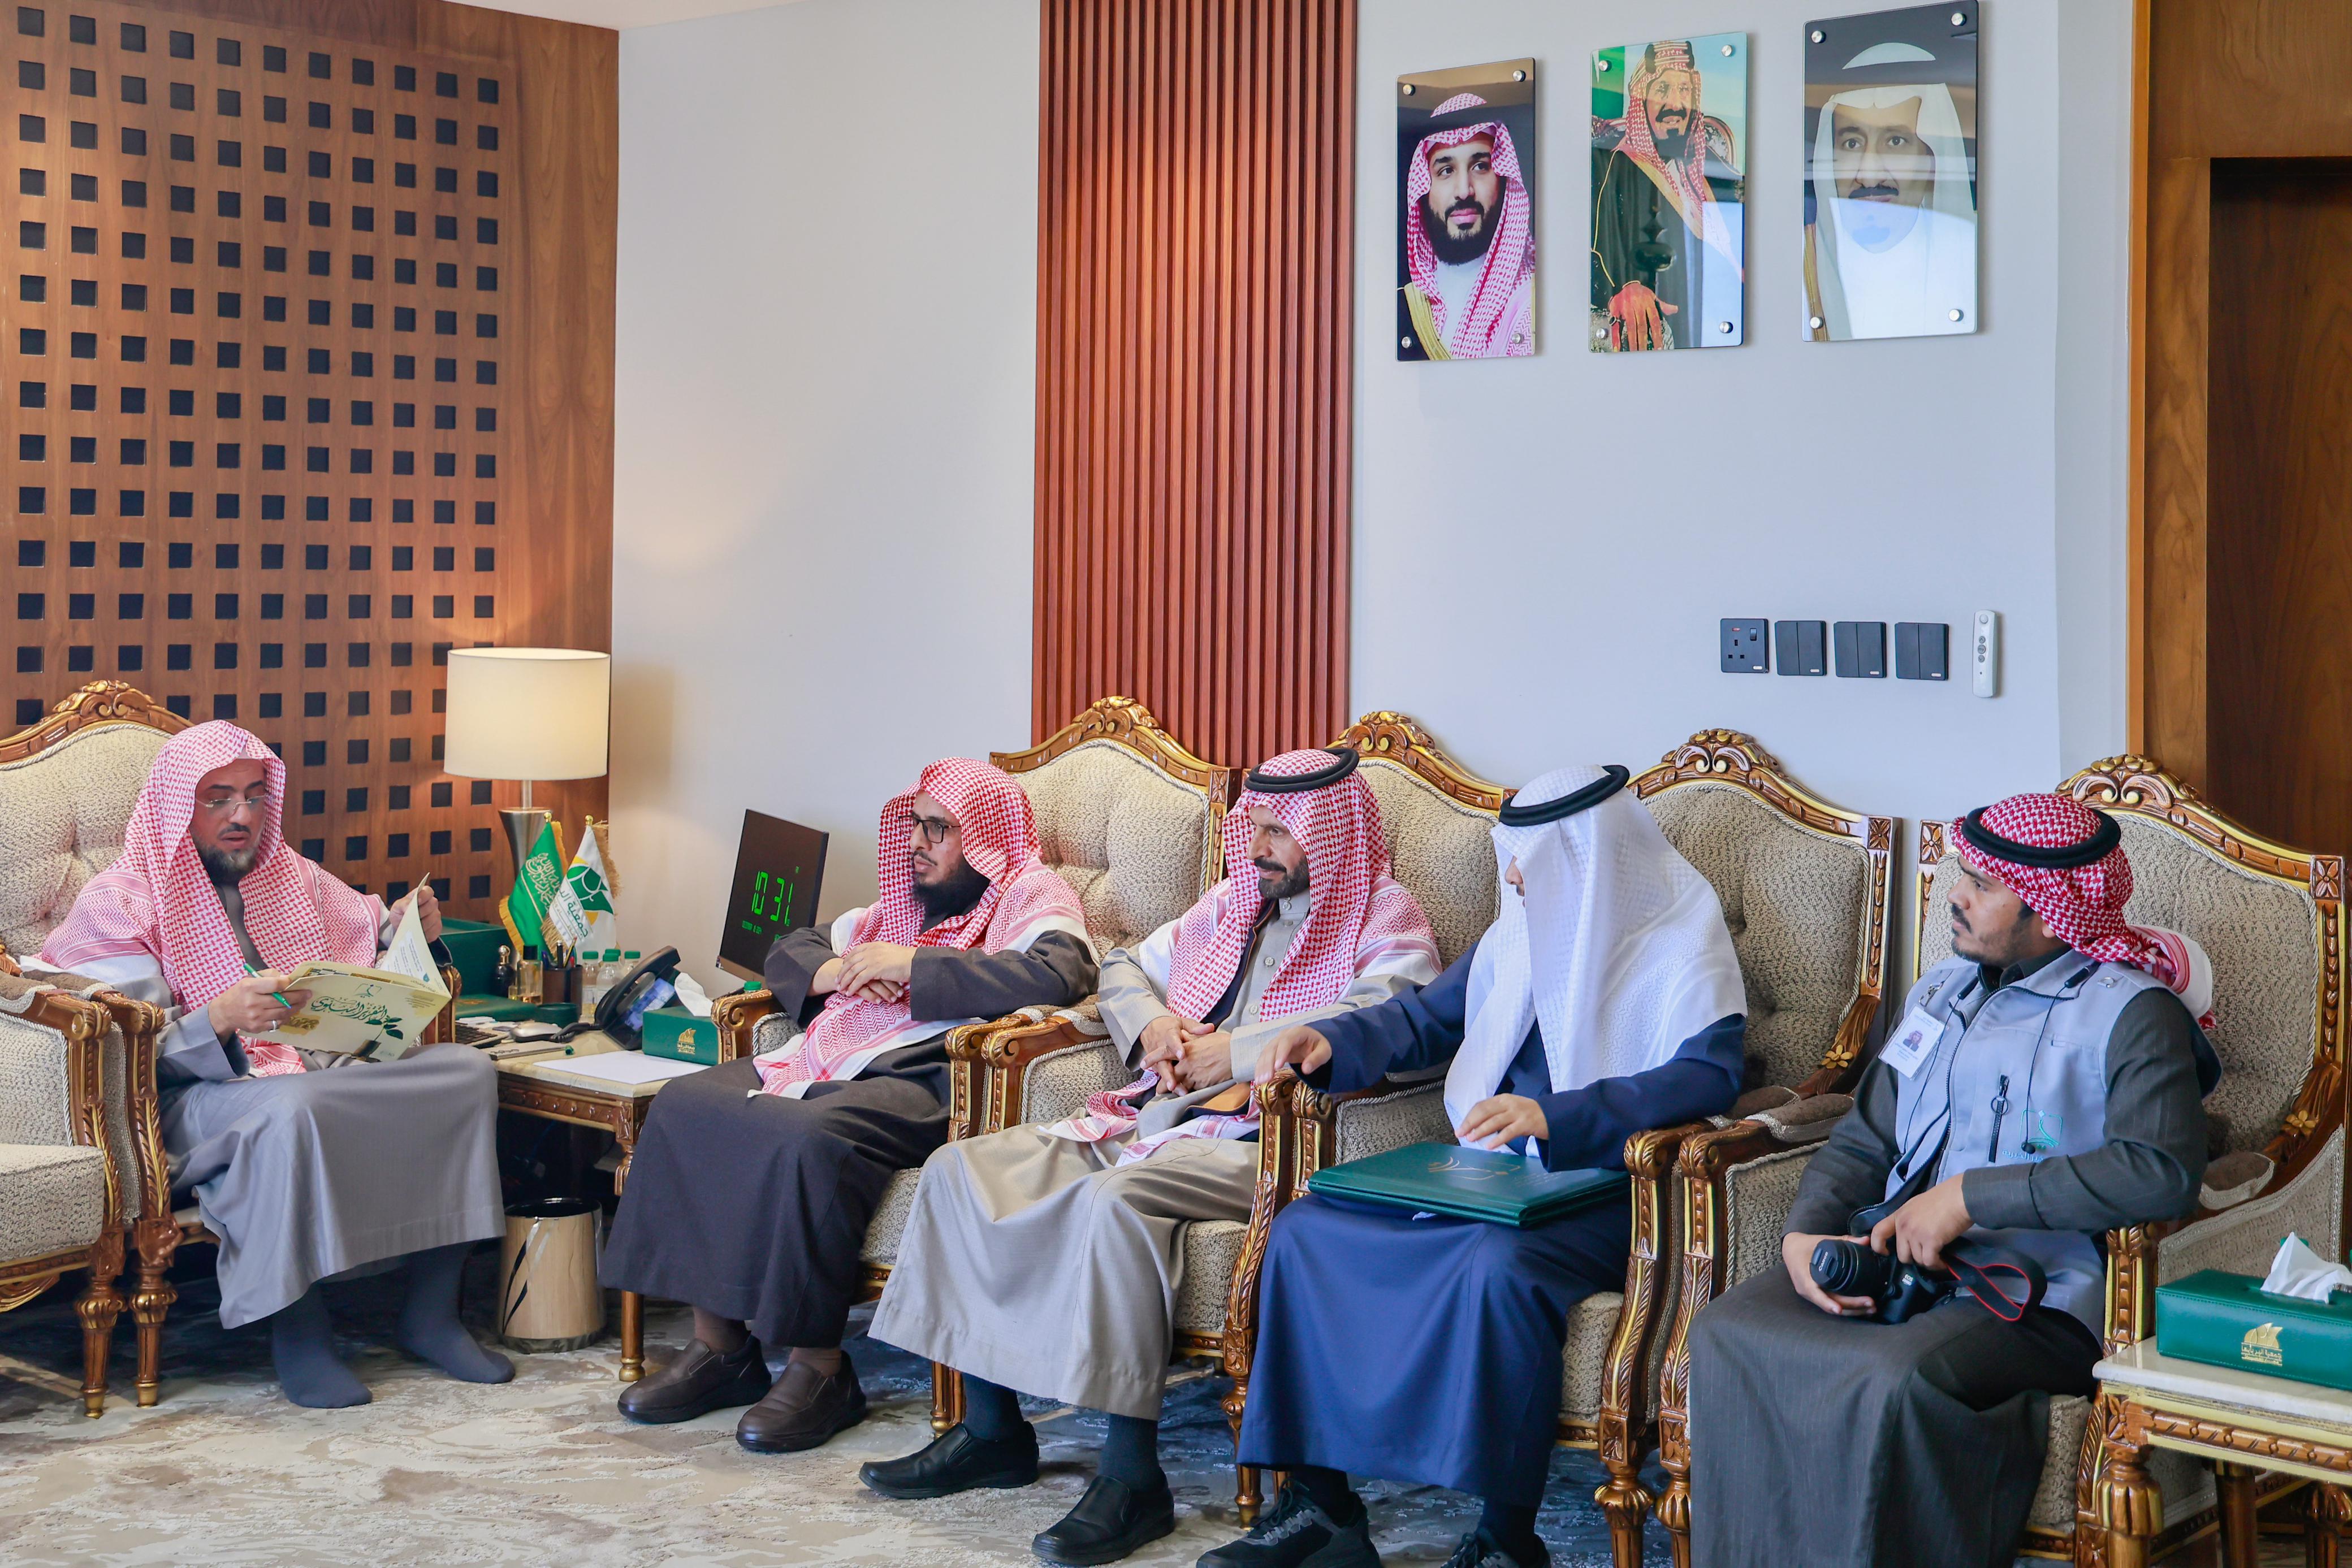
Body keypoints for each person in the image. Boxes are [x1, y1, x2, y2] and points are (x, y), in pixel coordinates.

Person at [863, 747, 1441, 1566]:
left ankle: (1132, 1477)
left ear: (1330, 834)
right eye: (1254, 828)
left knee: (1118, 1200)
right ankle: (991, 1429)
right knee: (963, 1168)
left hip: (1275, 1141)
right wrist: (1156, 1026)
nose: (1258, 847)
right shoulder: (1235, 901)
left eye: (1279, 831)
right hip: (1161, 1115)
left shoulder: (1385, 919)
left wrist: (1235, 1052)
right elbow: (1124, 963)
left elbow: (1383, 1019)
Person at [1199, 764, 1748, 1568]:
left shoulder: (1678, 941)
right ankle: (1321, 1508)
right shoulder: (1518, 932)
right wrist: (1332, 1038)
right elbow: (1424, 1019)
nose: (1513, 877)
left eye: (1531, 859)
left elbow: (1707, 1077)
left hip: (1610, 1188)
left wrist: (1557, 1116)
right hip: (1490, 1174)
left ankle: (1504, 1538)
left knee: (1498, 1266)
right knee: (1306, 1230)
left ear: (1589, 856)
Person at [1688, 793, 2220, 1568]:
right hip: (1897, 1264)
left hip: (2038, 1293)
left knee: (1893, 1379)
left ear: (2048, 907)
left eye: (1982, 883)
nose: (1956, 896)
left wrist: (1969, 1198)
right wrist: (1805, 1234)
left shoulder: (2134, 1014)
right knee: (1727, 1331)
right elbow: (1867, 1135)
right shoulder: (1939, 991)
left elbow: (2160, 1171)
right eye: (1961, 875)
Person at [600, 759, 1095, 1451]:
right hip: (835, 1057)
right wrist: (836, 970)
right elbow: (791, 945)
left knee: (810, 1135)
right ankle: (720, 1349)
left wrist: (909, 966)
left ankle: (820, 1370)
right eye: (915, 824)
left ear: (984, 836)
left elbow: (1059, 973)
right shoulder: (904, 903)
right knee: (685, 1104)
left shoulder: (1031, 894)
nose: (917, 842)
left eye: (938, 828)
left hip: (931, 1076)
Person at [37, 721, 508, 1409]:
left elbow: (365, 949)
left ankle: (432, 1316)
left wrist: (408, 928)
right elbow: (123, 1055)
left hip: (312, 1072)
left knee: (464, 1073)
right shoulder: (122, 900)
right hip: (194, 1094)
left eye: (255, 796)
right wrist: (219, 1018)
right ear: (178, 806)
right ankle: (300, 1333)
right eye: (218, 798)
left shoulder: (293, 876)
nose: (242, 815)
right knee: (291, 1107)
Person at [1590, 40, 1743, 352]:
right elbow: (1601, 247)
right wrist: (1629, 286)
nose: (1675, 104)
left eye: (1684, 90)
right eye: (1662, 90)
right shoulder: (1622, 166)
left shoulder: (1712, 168)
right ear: (1641, 103)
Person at [1803, 79, 1977, 340]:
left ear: (1931, 159)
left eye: (1896, 141)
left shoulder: (1978, 254)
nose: (1869, 177)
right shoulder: (1798, 259)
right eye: (1852, 144)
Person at [1399, 93, 1535, 360]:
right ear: (1423, 189)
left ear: (1503, 181)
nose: (1464, 191)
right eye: (1446, 171)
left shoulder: (1530, 305)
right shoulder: (1405, 305)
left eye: (1481, 167)